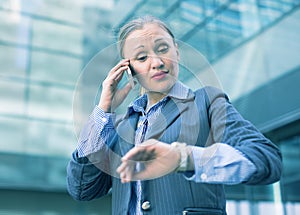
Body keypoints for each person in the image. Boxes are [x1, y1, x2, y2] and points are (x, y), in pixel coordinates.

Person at [67, 16, 282, 215]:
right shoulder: (121, 126)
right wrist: (103, 110)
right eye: (142, 57)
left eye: (163, 49)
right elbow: (82, 188)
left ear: (177, 52)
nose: (157, 62)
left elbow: (265, 158)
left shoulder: (206, 102)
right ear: (128, 69)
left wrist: (185, 158)